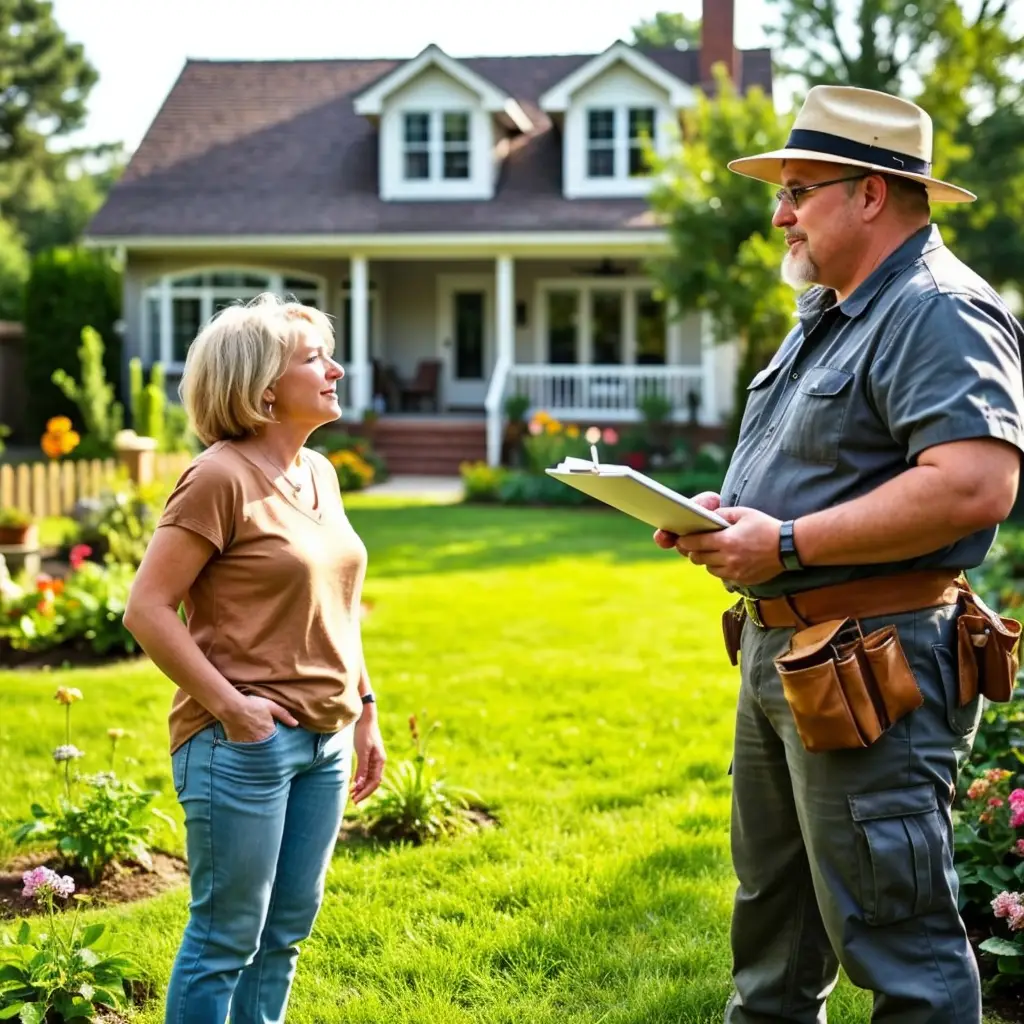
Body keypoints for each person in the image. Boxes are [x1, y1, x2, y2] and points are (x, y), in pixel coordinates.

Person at [655, 85, 1024, 1022]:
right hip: (790, 655)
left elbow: (973, 484)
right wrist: (723, 514)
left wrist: (779, 541)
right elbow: (828, 469)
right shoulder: (831, 312)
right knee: (772, 939)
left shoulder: (937, 310)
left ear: (870, 193)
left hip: (874, 662)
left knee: (902, 951)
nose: (779, 214)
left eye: (799, 190)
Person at [123, 293, 386, 1024]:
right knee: (224, 940)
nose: (336, 369)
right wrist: (233, 708)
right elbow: (146, 608)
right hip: (243, 746)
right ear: (263, 384)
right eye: (314, 358)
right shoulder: (219, 478)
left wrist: (365, 709)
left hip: (326, 742)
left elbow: (336, 602)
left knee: (283, 937)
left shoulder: (321, 472)